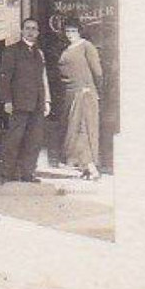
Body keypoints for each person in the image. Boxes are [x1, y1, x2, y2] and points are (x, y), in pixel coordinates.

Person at [0, 18, 51, 183]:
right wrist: (7, 100)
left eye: (34, 29)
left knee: (34, 141)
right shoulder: (12, 51)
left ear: (38, 32)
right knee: (14, 139)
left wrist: (47, 101)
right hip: (19, 103)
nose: (31, 31)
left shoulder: (39, 53)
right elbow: (3, 77)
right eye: (27, 28)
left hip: (37, 104)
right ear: (22, 31)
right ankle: (5, 174)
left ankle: (28, 173)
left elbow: (43, 78)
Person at [57, 20, 103, 179]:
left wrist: (94, 89)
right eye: (68, 31)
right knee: (73, 131)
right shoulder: (67, 49)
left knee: (83, 129)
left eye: (73, 31)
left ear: (80, 32)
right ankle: (85, 168)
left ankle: (91, 168)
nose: (70, 34)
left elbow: (97, 71)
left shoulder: (86, 46)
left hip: (84, 92)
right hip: (70, 93)